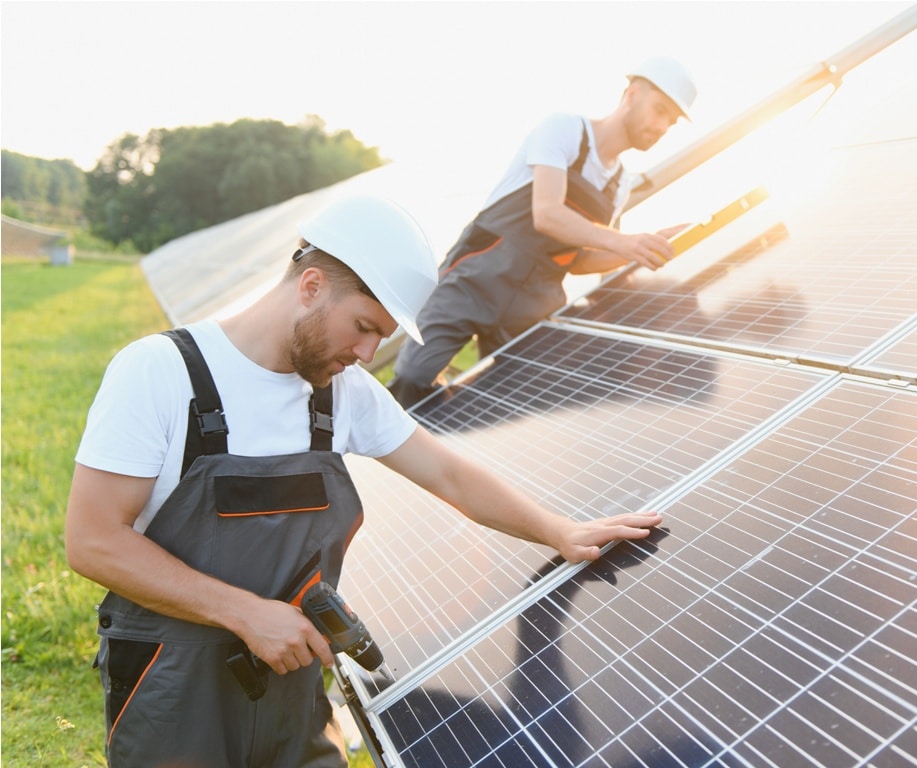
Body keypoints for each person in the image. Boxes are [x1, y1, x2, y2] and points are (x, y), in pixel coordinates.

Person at [64, 194, 664, 768]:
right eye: (363, 325)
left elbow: (451, 474)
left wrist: (558, 530)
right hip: (172, 682)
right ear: (311, 287)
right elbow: (93, 541)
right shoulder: (161, 372)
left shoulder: (342, 395)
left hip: (290, 679)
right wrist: (245, 614)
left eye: (383, 336)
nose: (370, 350)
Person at [387, 57, 697, 408]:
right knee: (412, 378)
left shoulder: (619, 184)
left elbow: (578, 258)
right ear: (632, 93)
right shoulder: (564, 130)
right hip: (475, 279)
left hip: (534, 302)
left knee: (521, 403)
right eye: (659, 111)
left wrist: (643, 248)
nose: (661, 126)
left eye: (670, 122)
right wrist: (624, 241)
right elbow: (547, 214)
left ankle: (456, 440)